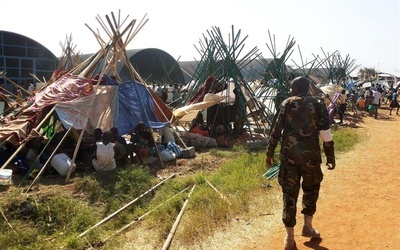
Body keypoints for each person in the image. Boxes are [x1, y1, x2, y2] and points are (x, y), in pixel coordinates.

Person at [265, 76, 336, 250]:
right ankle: (308, 227)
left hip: (289, 158)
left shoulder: (286, 104)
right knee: (311, 191)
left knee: (289, 195)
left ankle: (289, 239)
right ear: (308, 87)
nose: (291, 91)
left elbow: (276, 130)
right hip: (311, 158)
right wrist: (330, 156)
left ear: (296, 88)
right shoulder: (318, 104)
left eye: (292, 88)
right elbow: (325, 132)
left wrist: (269, 152)